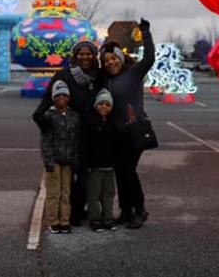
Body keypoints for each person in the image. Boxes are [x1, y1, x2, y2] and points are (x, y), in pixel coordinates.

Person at [32, 40, 101, 225]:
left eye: (89, 53)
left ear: (94, 56)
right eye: (81, 53)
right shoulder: (64, 75)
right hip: (69, 134)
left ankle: (78, 209)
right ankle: (68, 212)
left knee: (86, 176)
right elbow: (48, 99)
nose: (85, 57)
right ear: (75, 55)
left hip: (91, 135)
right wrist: (42, 120)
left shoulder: (99, 75)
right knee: (68, 176)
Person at [101, 18, 155, 229]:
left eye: (113, 59)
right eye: (106, 61)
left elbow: (149, 58)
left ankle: (139, 210)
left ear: (121, 58)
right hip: (116, 132)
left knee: (128, 171)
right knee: (121, 171)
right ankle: (125, 211)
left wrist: (146, 33)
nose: (110, 63)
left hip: (134, 130)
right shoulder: (106, 80)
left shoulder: (133, 74)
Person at [40, 80, 80, 234]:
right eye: (58, 95)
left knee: (66, 192)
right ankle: (53, 220)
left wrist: (75, 159)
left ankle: (64, 220)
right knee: (53, 193)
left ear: (69, 97)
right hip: (54, 161)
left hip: (68, 160)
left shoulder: (74, 117)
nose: (61, 98)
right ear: (53, 98)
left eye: (64, 95)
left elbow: (76, 140)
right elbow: (45, 141)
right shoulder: (48, 115)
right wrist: (48, 160)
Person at [82, 88, 118, 232]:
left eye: (107, 105)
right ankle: (95, 218)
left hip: (109, 166)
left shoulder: (112, 123)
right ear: (96, 105)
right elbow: (85, 145)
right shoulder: (90, 122)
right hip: (95, 166)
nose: (104, 107)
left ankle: (108, 217)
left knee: (109, 193)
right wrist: (86, 164)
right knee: (93, 194)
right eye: (101, 104)